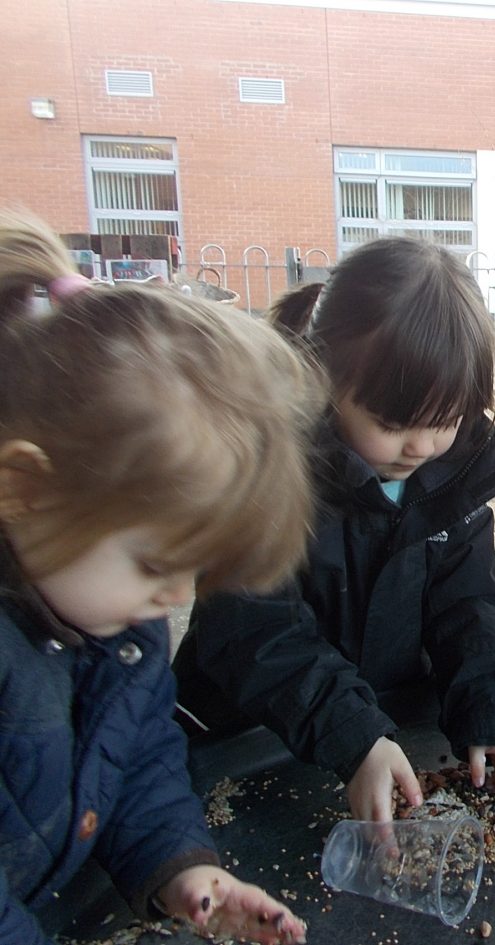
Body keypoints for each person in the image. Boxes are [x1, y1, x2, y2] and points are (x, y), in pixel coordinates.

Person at [0, 210, 321, 943]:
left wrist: (182, 868)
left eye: (194, 569)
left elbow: (135, 755)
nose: (178, 598)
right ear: (25, 490)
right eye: (155, 564)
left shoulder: (117, 621)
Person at [174, 237, 495, 823]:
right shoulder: (268, 471)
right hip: (242, 742)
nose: (421, 447)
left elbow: (470, 607)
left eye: (444, 422)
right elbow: (254, 632)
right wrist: (353, 733)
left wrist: (487, 712)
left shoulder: (451, 475)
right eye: (392, 424)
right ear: (325, 379)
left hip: (383, 729)